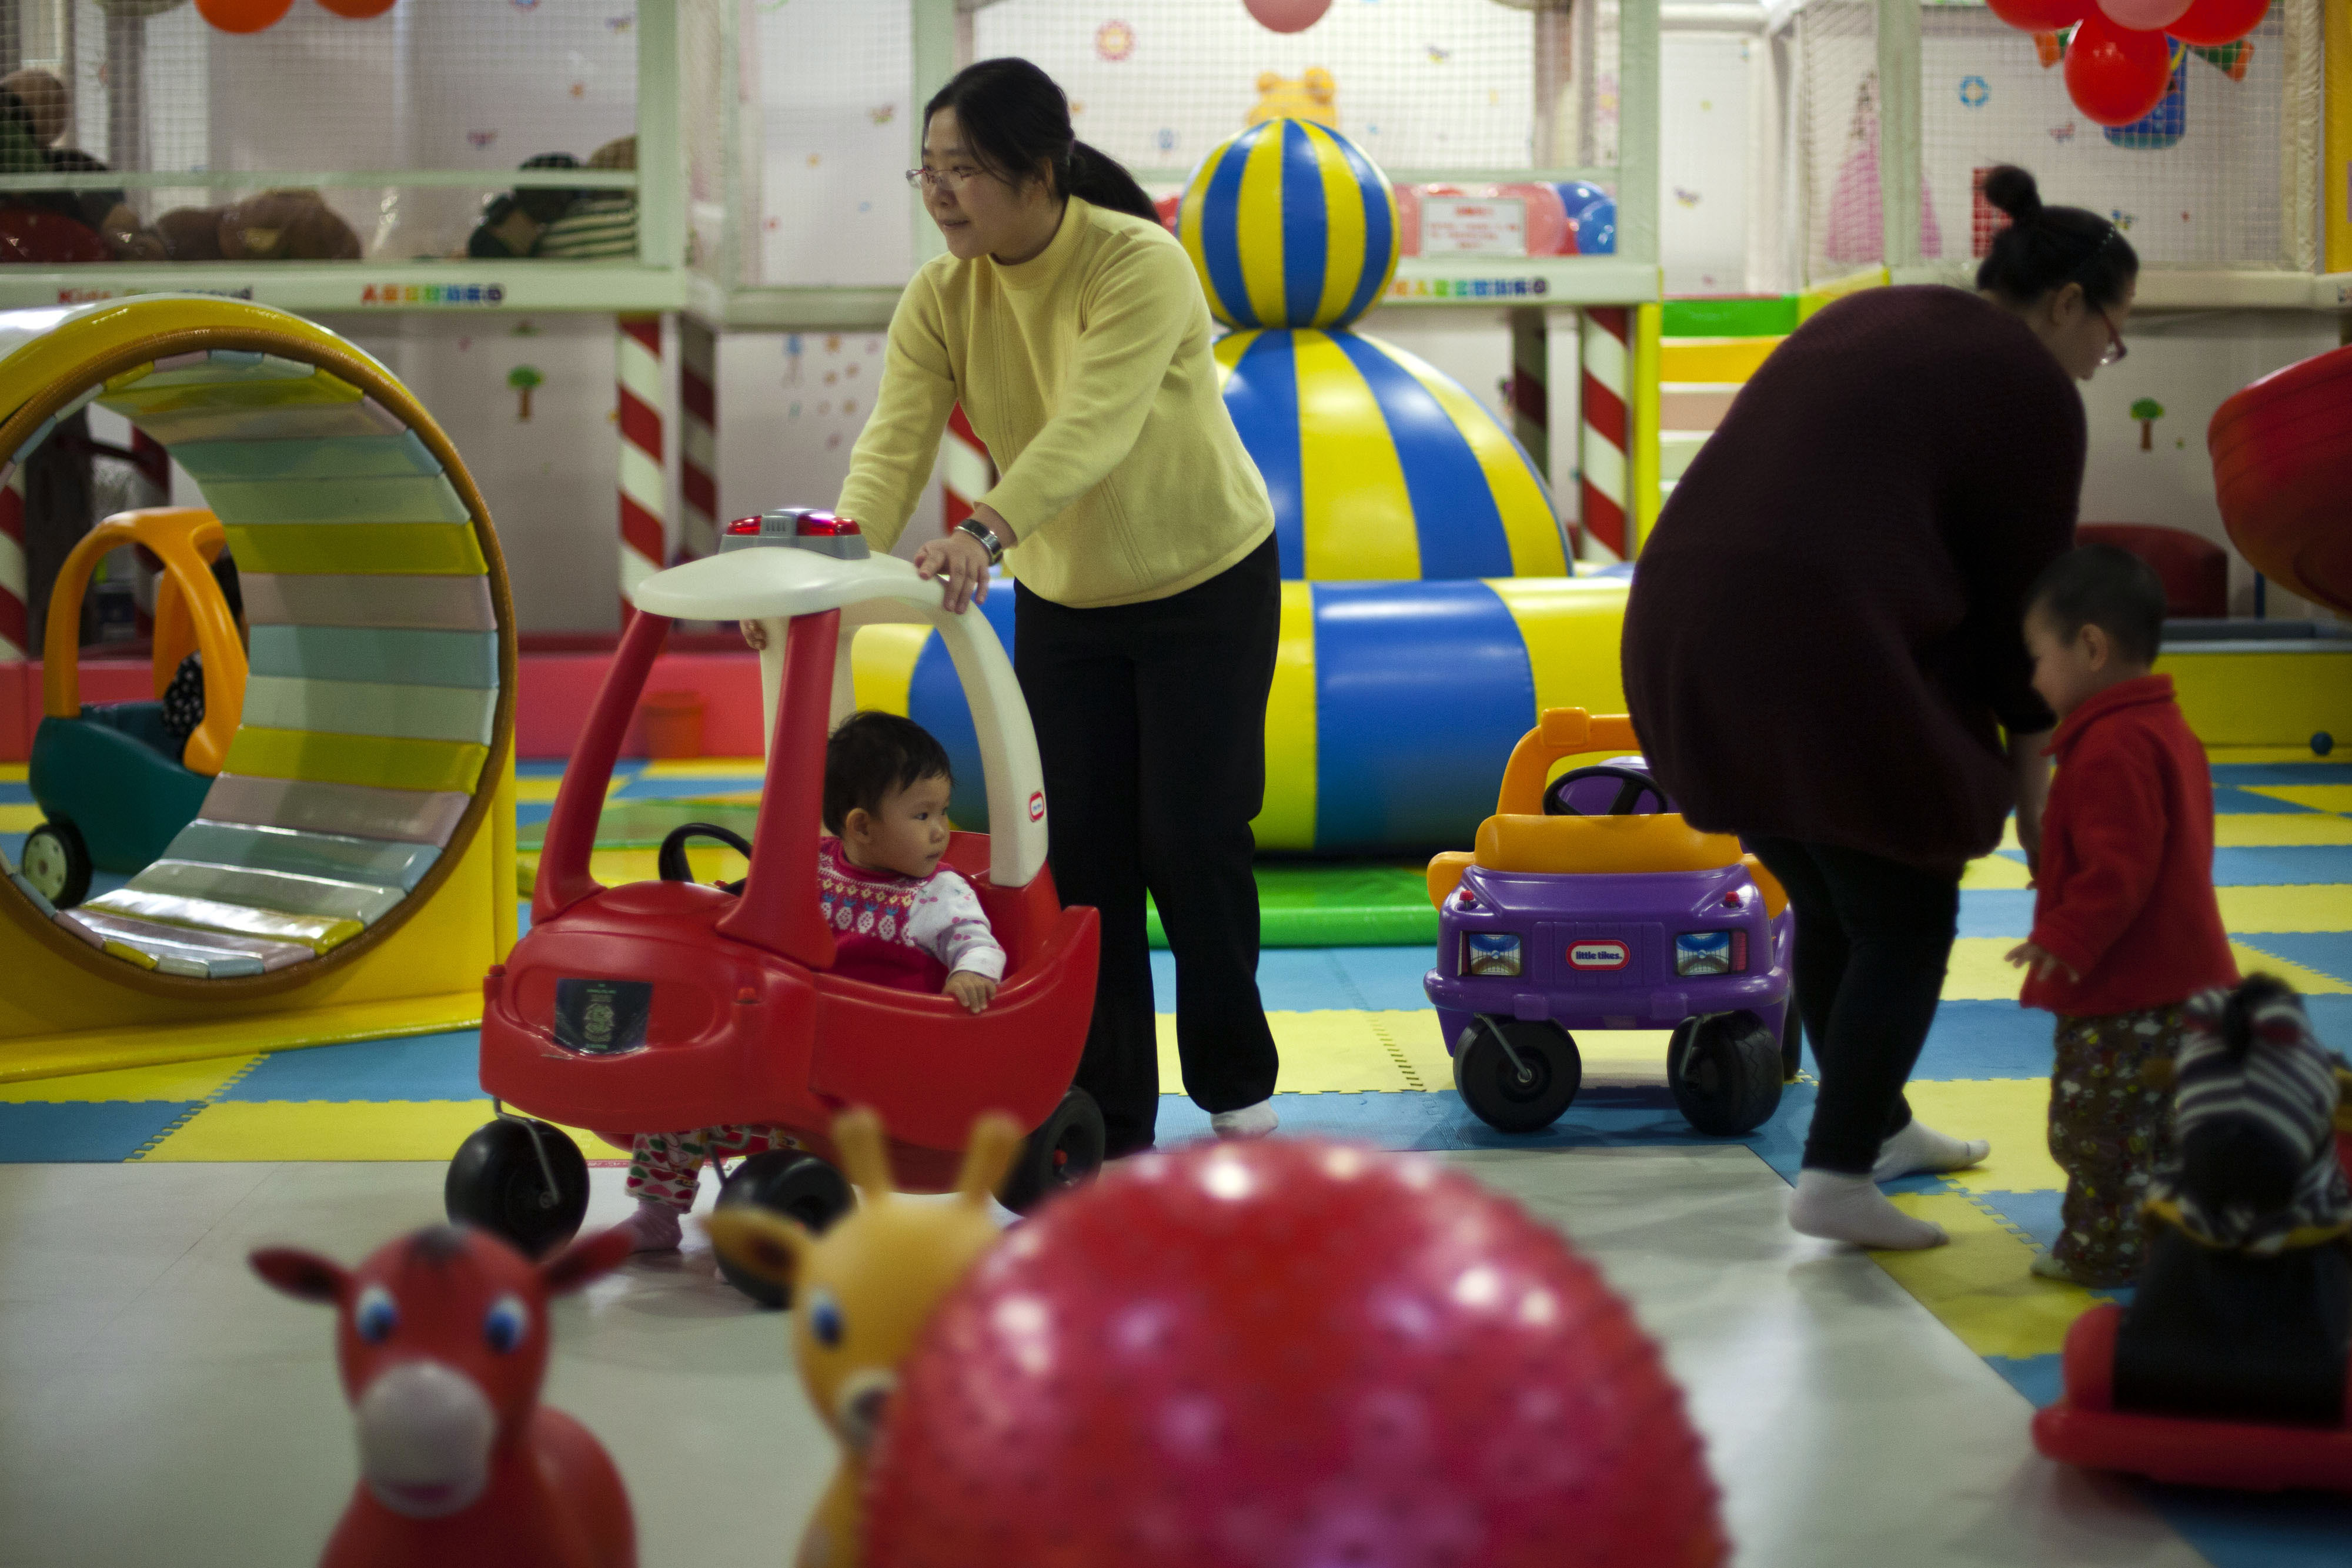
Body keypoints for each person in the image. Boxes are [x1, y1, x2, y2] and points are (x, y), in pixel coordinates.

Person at [1621, 165, 2137, 1251]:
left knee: (1833, 885)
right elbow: (2025, 624)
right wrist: (2040, 813)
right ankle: (1839, 1171)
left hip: (1681, 631)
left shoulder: (1880, 313)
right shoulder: (2029, 389)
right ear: (2065, 302)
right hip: (1808, 646)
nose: (2103, 358)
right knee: (1909, 908)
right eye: (2113, 332)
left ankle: (1879, 1125)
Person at [800, 56, 1284, 1158]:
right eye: (927, 168)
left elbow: (1094, 425)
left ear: (1041, 168)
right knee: (1086, 860)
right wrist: (826, 570)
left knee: (1193, 838)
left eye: (963, 169)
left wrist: (982, 530)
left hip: (1205, 579)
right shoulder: (940, 296)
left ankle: (1236, 1087)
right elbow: (894, 443)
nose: (939, 191)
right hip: (1068, 597)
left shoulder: (1138, 264)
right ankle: (1109, 1111)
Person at [620, 711, 1005, 1251]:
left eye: (942, 811)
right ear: (861, 827)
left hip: (873, 1071)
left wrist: (969, 972)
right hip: (796, 1049)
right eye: (922, 814)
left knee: (785, 1127)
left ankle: (787, 1202)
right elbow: (758, 913)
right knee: (678, 1105)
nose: (942, 829)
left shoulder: (940, 893)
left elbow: (979, 943)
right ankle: (657, 1212)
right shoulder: (812, 869)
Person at [2004, 544, 2237, 1286]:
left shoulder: (2110, 747)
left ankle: (2104, 1249)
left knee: (2096, 1128)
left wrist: (2064, 939)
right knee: (2169, 1125)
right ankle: (2178, 1238)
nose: (2031, 678)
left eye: (2036, 657)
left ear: (2091, 647)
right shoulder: (2167, 730)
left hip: (2127, 994)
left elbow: (2121, 869)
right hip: (2188, 982)